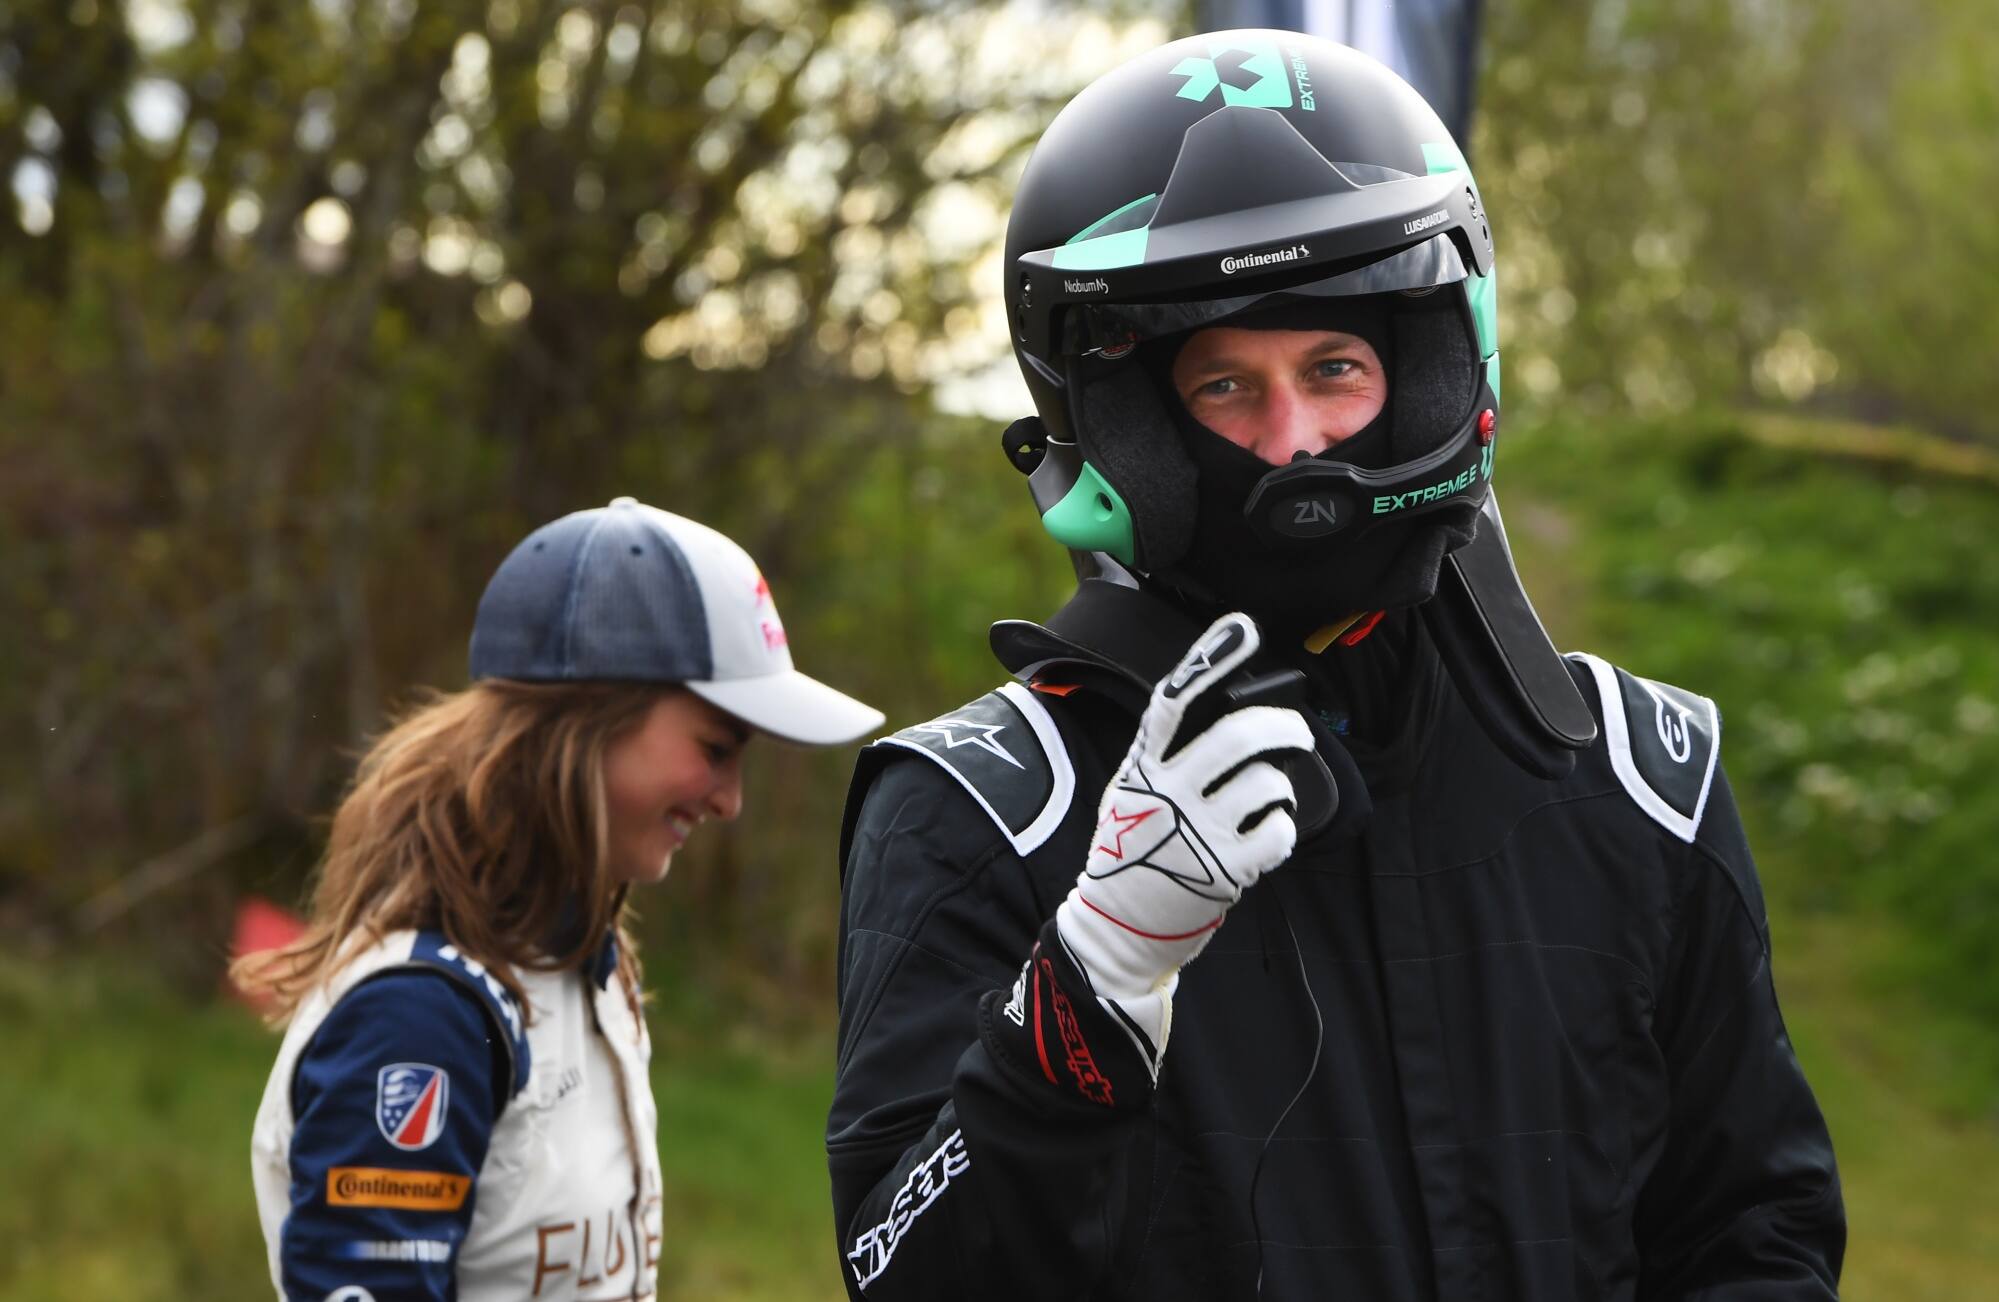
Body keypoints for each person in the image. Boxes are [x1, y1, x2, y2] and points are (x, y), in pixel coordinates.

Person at [826, 30, 1845, 1301]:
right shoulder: (979, 808)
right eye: (1222, 389)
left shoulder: (1638, 782)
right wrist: (1091, 984)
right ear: (1126, 432)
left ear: (1428, 375)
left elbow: (1758, 1234)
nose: (1293, 442)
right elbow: (898, 1275)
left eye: (1335, 370)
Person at [238, 496, 883, 1300]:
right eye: (715, 750)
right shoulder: (419, 1015)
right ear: (584, 724)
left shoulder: (579, 959)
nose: (730, 802)